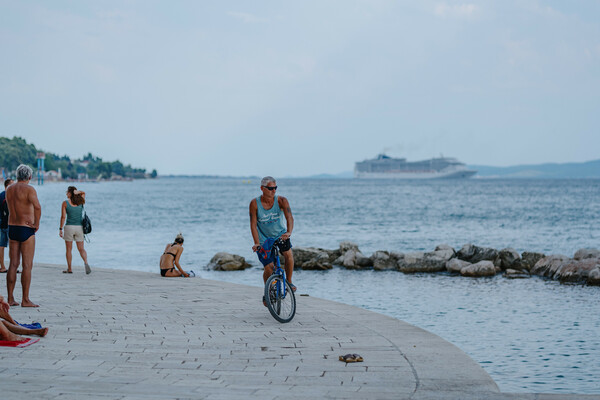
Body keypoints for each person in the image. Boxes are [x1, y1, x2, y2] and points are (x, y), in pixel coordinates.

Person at [249, 176, 295, 305]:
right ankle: (268, 292)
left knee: (288, 255)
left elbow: (289, 218)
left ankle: (289, 282)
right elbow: (253, 224)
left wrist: (288, 232)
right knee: (268, 267)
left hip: (280, 235)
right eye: (270, 188)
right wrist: (256, 242)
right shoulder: (254, 203)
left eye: (275, 188)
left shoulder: (282, 200)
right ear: (262, 188)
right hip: (264, 239)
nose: (273, 191)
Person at [5, 164, 41, 307]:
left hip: (12, 227)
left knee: (13, 264)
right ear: (29, 177)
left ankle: (10, 298)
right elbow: (37, 207)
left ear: (17, 175)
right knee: (27, 265)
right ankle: (25, 299)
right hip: (26, 229)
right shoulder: (29, 189)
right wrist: (36, 223)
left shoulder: (9, 189)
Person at [59, 186, 91, 274]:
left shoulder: (65, 203)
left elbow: (63, 217)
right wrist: (78, 192)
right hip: (79, 228)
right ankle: (86, 262)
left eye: (67, 192)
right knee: (81, 249)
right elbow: (84, 193)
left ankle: (69, 269)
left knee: (69, 249)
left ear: (70, 193)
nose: (66, 194)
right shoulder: (81, 202)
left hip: (69, 227)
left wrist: (60, 228)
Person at [0, 178, 14, 273]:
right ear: (8, 185)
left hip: (1, 223)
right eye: (12, 184)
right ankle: (13, 267)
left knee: (1, 245)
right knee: (13, 246)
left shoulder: (0, 195)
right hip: (10, 223)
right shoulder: (11, 196)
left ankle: (2, 266)